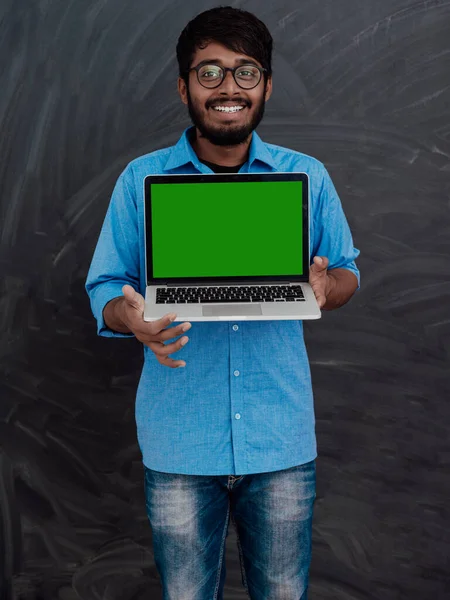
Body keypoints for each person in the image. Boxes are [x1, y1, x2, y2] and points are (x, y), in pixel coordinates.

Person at [85, 6, 360, 599]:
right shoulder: (141, 179)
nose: (228, 87)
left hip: (279, 439)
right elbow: (106, 287)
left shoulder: (304, 175)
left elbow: (346, 272)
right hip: (179, 440)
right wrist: (130, 317)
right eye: (208, 73)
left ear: (266, 86)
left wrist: (324, 286)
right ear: (184, 87)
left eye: (245, 72)